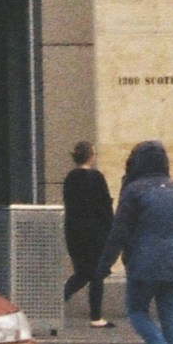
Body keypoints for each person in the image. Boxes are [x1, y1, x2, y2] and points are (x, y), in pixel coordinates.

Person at [100, 138, 173, 344]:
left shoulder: (134, 191)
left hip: (144, 261)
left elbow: (119, 231)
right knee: (169, 315)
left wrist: (104, 264)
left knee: (136, 311)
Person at [61, 141, 115, 328]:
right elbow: (104, 207)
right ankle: (96, 317)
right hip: (95, 232)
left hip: (74, 232)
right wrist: (112, 231)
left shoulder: (70, 178)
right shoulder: (96, 178)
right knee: (96, 273)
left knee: (83, 273)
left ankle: (54, 303)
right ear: (90, 156)